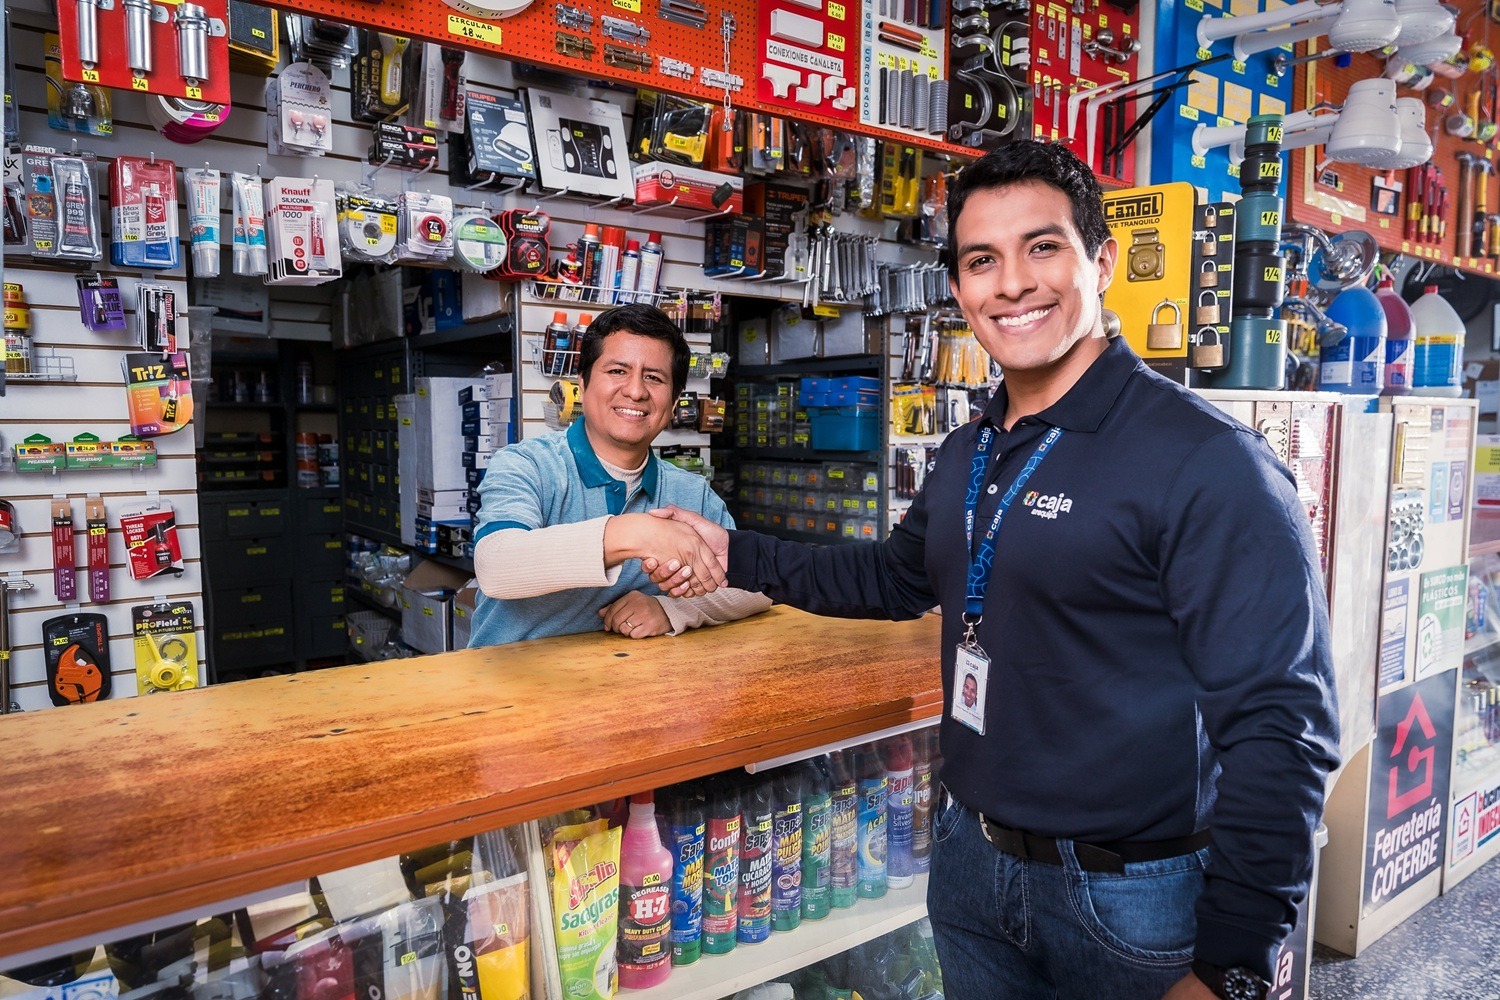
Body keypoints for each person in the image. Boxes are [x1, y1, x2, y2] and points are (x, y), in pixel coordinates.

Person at [642, 141, 1340, 1000]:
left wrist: (1231, 963)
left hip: (1133, 901)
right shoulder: (973, 448)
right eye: (982, 260)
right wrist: (728, 554)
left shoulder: (1207, 461)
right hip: (971, 866)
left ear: (1104, 262)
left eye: (1041, 247)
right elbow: (894, 579)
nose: (1010, 283)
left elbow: (1284, 728)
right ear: (961, 288)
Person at [467, 303, 770, 647]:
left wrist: (670, 610)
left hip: (632, 689)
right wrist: (636, 533)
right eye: (617, 371)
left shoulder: (692, 493)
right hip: (513, 690)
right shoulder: (528, 466)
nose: (636, 391)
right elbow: (496, 565)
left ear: (672, 405)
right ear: (582, 384)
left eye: (654, 377)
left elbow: (756, 587)